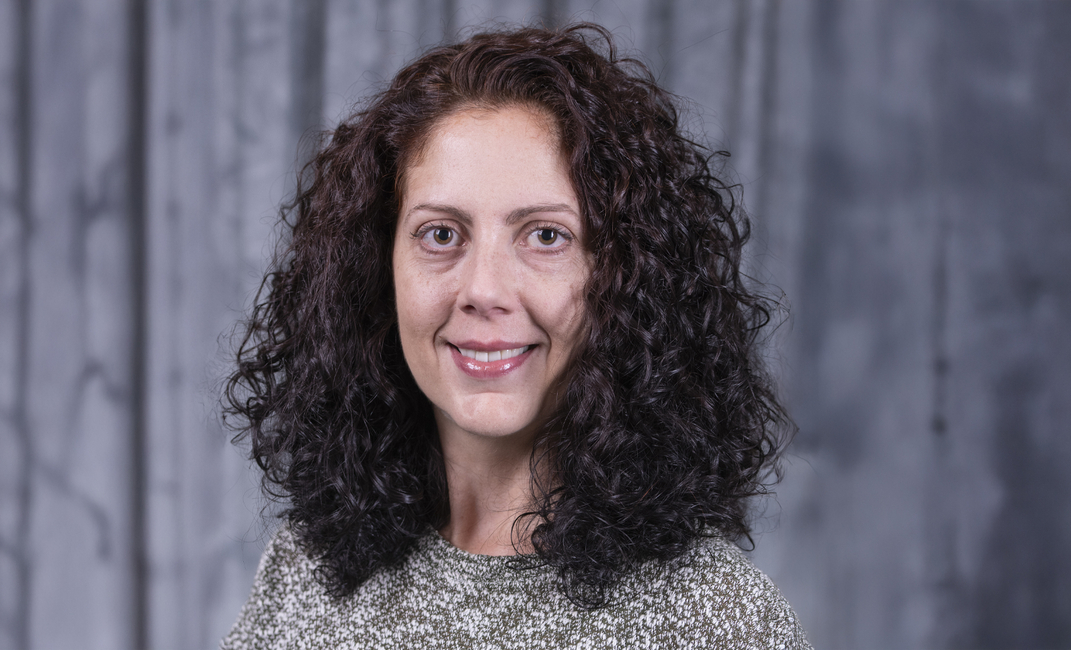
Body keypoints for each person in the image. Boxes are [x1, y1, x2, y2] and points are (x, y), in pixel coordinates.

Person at [221, 23, 810, 649]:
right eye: (441, 234)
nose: (485, 290)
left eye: (545, 236)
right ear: (375, 269)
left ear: (624, 274)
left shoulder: (713, 621)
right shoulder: (305, 571)